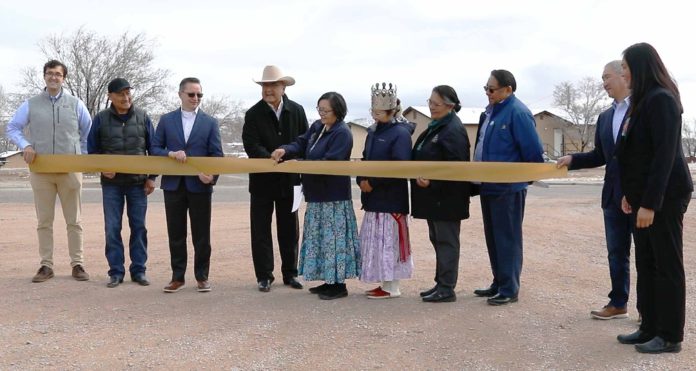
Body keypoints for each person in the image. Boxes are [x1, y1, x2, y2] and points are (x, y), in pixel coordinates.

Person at [615, 42, 693, 354]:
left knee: (666, 264)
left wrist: (650, 203)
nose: (624, 74)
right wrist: (631, 195)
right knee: (646, 263)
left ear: (641, 67)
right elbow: (635, 155)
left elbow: (663, 157)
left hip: (665, 196)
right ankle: (649, 325)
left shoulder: (662, 100)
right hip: (643, 196)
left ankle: (670, 334)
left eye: (626, 69)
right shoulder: (642, 101)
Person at [556, 61, 634, 319]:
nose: (604, 84)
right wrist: (574, 160)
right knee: (616, 252)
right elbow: (601, 155)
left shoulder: (644, 109)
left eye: (606, 77)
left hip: (638, 195)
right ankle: (618, 302)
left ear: (624, 75)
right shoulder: (605, 117)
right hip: (612, 196)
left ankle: (648, 309)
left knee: (647, 256)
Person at [5, 59, 92, 283]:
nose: (54, 77)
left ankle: (78, 264)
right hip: (41, 170)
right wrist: (25, 145)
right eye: (50, 73)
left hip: (70, 170)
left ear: (64, 78)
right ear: (44, 76)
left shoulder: (75, 104)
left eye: (58, 74)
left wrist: (79, 155)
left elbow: (87, 131)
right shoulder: (31, 104)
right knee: (44, 221)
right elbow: (13, 127)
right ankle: (46, 265)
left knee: (74, 220)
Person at [271, 92, 360, 300]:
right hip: (316, 195)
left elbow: (329, 163)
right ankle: (327, 280)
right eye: (319, 109)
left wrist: (300, 165)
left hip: (333, 197)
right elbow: (301, 143)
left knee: (335, 242)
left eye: (326, 110)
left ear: (337, 111)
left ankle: (339, 285)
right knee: (320, 240)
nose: (321, 114)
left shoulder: (342, 133)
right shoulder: (318, 127)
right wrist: (285, 150)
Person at [473, 69, 544, 305]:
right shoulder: (489, 114)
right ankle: (499, 281)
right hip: (488, 186)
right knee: (493, 237)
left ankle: (509, 287)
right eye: (486, 88)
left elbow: (533, 152)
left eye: (491, 89)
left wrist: (523, 179)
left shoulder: (518, 113)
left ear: (507, 89)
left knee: (508, 238)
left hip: (508, 188)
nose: (488, 93)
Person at [152, 77, 223, 293]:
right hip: (173, 186)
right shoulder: (166, 120)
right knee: (176, 233)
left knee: (202, 234)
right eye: (191, 94)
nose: (195, 98)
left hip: (200, 187)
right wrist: (170, 153)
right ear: (180, 94)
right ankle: (177, 277)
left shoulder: (210, 122)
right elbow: (154, 148)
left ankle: (202, 276)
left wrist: (211, 177)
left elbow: (217, 155)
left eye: (199, 95)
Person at [242, 65, 308, 292]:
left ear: (283, 87)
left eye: (273, 85)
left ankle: (290, 273)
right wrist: (269, 157)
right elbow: (250, 144)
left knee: (290, 230)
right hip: (262, 181)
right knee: (260, 230)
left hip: (290, 181)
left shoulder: (297, 111)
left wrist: (286, 153)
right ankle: (264, 276)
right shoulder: (252, 113)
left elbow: (303, 141)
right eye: (265, 85)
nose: (268, 90)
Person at [87, 78, 157, 288]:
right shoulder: (100, 119)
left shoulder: (143, 117)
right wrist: (101, 167)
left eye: (128, 93)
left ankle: (139, 271)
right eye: (120, 94)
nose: (126, 98)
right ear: (110, 97)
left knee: (139, 227)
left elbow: (154, 149)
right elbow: (92, 150)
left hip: (138, 184)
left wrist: (152, 178)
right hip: (112, 185)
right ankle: (116, 272)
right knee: (112, 228)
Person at [412, 85, 471, 303]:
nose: (431, 107)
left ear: (450, 105)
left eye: (436, 104)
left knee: (447, 242)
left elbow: (456, 167)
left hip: (446, 198)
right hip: (434, 198)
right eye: (430, 102)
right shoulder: (437, 126)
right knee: (438, 239)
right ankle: (440, 283)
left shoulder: (452, 129)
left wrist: (433, 182)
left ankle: (447, 287)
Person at [358, 83, 414, 299]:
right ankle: (385, 282)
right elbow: (365, 159)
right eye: (373, 111)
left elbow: (399, 166)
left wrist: (373, 181)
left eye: (379, 112)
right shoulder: (373, 132)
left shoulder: (400, 133)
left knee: (389, 241)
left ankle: (393, 286)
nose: (375, 115)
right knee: (378, 241)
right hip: (373, 197)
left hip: (391, 198)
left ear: (391, 112)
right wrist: (362, 179)